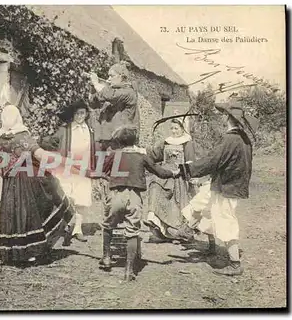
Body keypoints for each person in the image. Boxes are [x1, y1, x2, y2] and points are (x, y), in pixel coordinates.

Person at [178, 100, 258, 276]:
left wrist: (188, 169)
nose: (222, 117)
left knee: (226, 221)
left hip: (227, 186)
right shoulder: (244, 139)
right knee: (206, 208)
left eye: (224, 114)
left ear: (227, 118)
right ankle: (209, 246)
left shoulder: (230, 139)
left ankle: (235, 264)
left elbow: (213, 160)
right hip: (230, 184)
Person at [0, 105, 75, 266]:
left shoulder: (1, 138)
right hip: (26, 179)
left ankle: (13, 252)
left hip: (10, 182)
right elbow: (39, 154)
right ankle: (32, 252)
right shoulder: (22, 136)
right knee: (30, 211)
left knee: (13, 213)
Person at [98, 126, 179, 280]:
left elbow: (101, 169)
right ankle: (129, 271)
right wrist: (174, 173)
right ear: (135, 141)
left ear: (120, 142)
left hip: (116, 195)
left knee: (108, 226)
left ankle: (107, 258)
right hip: (134, 196)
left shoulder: (115, 155)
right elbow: (160, 172)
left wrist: (109, 178)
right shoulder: (141, 156)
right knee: (132, 232)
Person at [47, 100, 98, 244]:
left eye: (82, 113)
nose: (80, 116)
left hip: (83, 169)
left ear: (86, 114)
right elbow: (52, 142)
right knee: (66, 196)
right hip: (67, 169)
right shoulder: (66, 129)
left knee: (81, 199)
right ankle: (64, 226)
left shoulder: (90, 131)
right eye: (77, 113)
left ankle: (77, 229)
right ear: (73, 115)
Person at [144, 118, 199, 241]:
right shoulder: (166, 142)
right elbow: (155, 155)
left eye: (176, 128)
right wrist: (143, 151)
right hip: (165, 174)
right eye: (172, 128)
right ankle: (156, 222)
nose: (173, 131)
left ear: (182, 129)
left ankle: (179, 232)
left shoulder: (187, 143)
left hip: (179, 176)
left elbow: (190, 163)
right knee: (155, 188)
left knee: (177, 204)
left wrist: (189, 177)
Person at [89, 62, 139, 148]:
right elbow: (93, 103)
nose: (108, 79)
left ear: (121, 76)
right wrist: (92, 87)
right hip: (106, 140)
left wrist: (96, 83)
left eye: (111, 76)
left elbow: (110, 95)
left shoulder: (129, 92)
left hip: (121, 142)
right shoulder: (111, 91)